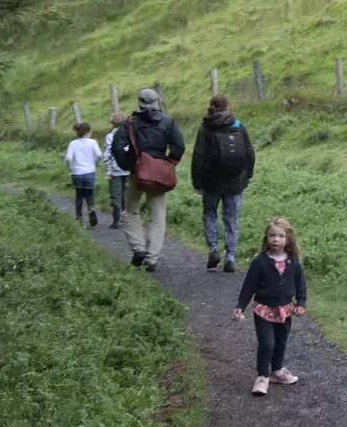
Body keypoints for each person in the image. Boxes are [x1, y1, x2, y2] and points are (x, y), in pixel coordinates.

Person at [109, 88, 184, 272]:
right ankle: (152, 258)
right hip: (159, 174)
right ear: (156, 101)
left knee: (130, 212)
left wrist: (130, 165)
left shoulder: (130, 123)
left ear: (139, 102)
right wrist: (169, 163)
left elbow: (117, 147)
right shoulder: (167, 121)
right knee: (157, 216)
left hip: (138, 173)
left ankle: (138, 248)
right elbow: (179, 145)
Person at [231, 217, 306, 396]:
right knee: (267, 343)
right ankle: (262, 377)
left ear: (288, 239)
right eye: (272, 235)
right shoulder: (260, 261)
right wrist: (240, 305)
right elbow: (249, 286)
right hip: (263, 309)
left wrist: (301, 303)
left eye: (280, 236)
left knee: (280, 342)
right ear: (266, 238)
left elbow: (301, 285)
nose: (275, 239)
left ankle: (277, 371)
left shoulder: (294, 263)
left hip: (285, 310)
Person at [191, 93, 255, 273]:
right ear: (228, 107)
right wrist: (247, 176)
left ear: (211, 107)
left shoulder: (206, 127)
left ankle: (213, 249)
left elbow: (198, 156)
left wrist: (197, 182)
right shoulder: (237, 125)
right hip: (235, 181)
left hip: (211, 181)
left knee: (210, 214)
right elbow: (249, 152)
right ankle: (230, 257)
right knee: (231, 218)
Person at [63, 121, 103, 226]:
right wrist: (95, 163)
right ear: (88, 132)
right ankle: (91, 211)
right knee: (89, 195)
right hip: (89, 172)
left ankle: (79, 218)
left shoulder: (73, 143)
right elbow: (99, 154)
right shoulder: (93, 142)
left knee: (79, 196)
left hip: (77, 173)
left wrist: (70, 169)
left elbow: (68, 158)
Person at [103, 111, 131, 228]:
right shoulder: (130, 135)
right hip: (128, 169)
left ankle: (116, 220)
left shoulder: (109, 137)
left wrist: (108, 171)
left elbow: (107, 155)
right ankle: (126, 220)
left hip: (115, 170)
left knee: (115, 195)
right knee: (127, 195)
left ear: (112, 122)